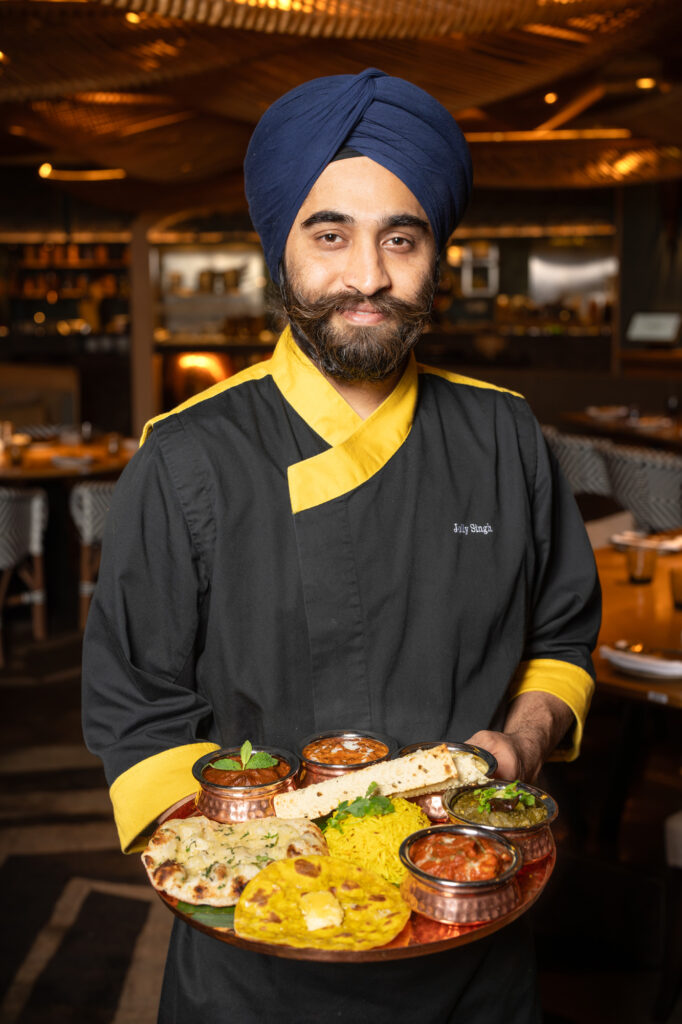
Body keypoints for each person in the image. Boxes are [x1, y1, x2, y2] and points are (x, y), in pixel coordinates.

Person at [82, 68, 601, 1024]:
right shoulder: (186, 456)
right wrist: (236, 866)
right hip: (257, 966)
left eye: (401, 238)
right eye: (330, 235)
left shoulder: (506, 435)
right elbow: (137, 708)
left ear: (435, 253)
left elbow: (562, 638)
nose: (368, 275)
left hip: (472, 935)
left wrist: (525, 740)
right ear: (278, 251)